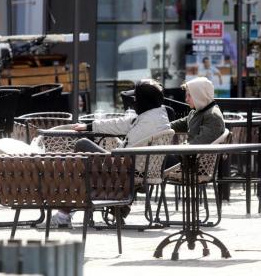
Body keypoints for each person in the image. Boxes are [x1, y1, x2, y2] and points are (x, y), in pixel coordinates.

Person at [50, 78, 171, 227]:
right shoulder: (156, 115)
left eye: (136, 98)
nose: (133, 101)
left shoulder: (147, 122)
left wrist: (109, 151)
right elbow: (122, 124)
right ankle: (115, 207)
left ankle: (64, 213)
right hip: (140, 168)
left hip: (128, 169)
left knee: (82, 148)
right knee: (83, 166)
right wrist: (89, 127)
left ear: (143, 101)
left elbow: (126, 148)